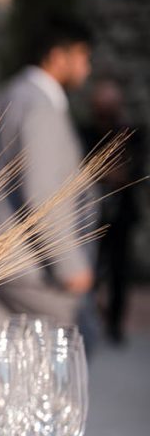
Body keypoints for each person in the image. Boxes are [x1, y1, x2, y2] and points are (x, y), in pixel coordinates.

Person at [0, 16, 96, 326]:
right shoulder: (41, 106)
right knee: (80, 336)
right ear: (58, 57)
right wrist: (69, 266)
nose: (88, 67)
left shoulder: (8, 94)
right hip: (20, 265)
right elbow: (42, 191)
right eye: (84, 56)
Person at [80, 79, 145, 344]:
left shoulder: (131, 134)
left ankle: (115, 325)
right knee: (90, 270)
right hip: (92, 213)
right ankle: (89, 318)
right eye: (100, 106)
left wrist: (110, 173)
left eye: (109, 106)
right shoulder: (86, 133)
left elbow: (133, 170)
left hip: (121, 213)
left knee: (119, 271)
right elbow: (84, 168)